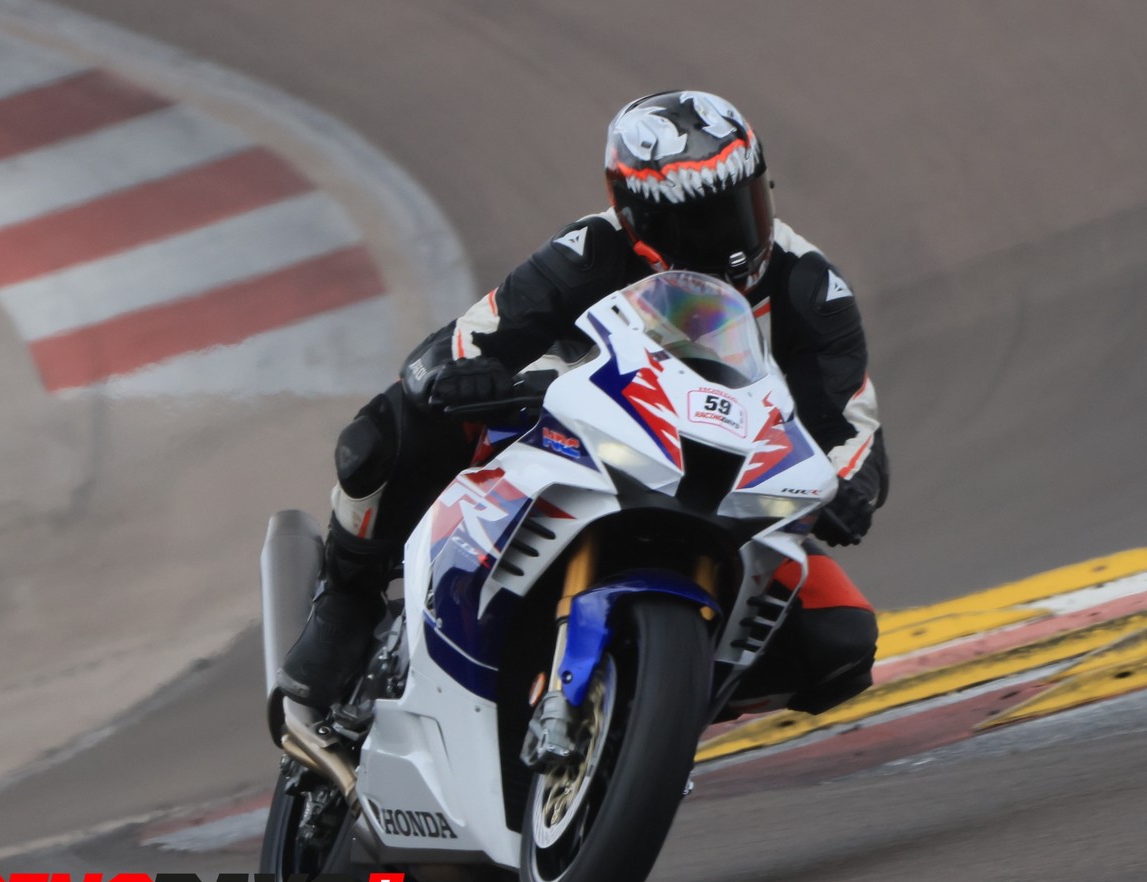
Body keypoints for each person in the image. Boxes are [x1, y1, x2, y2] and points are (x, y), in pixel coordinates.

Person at [279, 90, 889, 721]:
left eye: (740, 206)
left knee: (839, 638)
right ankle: (347, 596)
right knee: (384, 433)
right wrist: (456, 376)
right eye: (696, 223)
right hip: (583, 444)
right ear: (634, 215)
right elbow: (461, 344)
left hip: (725, 487)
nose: (727, 241)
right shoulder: (589, 252)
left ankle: (650, 706)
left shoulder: (809, 285)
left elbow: (851, 426)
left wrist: (849, 487)